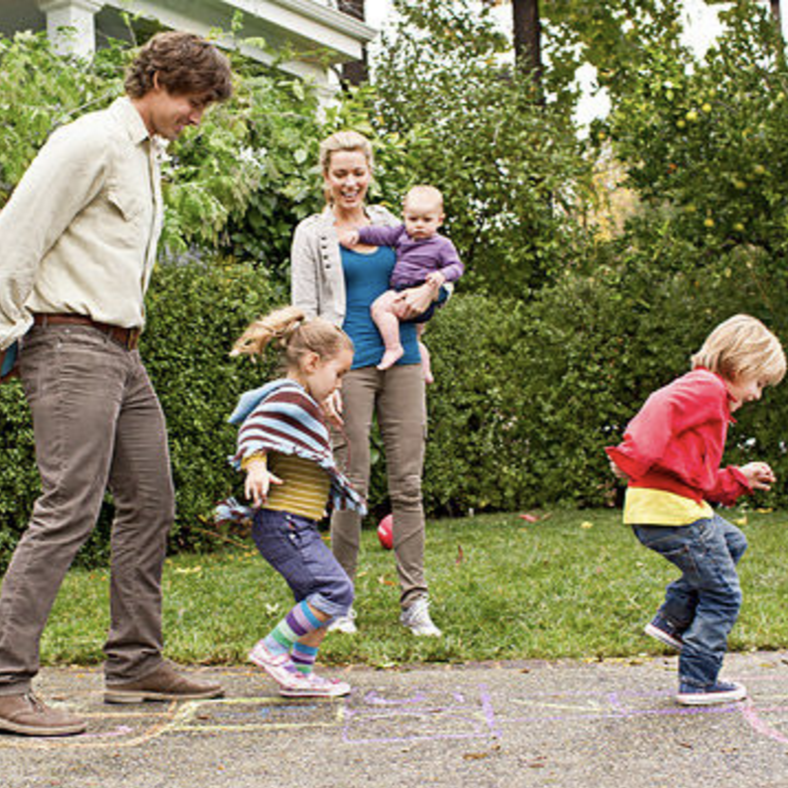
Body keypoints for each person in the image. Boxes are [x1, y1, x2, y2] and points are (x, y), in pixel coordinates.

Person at [0, 31, 233, 736]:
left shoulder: (142, 157)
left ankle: (134, 663)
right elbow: (16, 235)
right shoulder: (91, 141)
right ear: (157, 78)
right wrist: (7, 333)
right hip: (68, 342)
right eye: (193, 102)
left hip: (121, 351)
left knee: (151, 500)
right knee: (68, 506)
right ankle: (5, 680)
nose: (198, 117)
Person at [291, 130, 443, 637]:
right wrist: (319, 380)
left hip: (401, 362)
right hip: (346, 369)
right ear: (326, 178)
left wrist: (431, 297)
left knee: (408, 483)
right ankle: (340, 601)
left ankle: (415, 602)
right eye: (340, 174)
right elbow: (304, 314)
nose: (350, 182)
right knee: (349, 485)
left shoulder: (393, 225)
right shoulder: (311, 234)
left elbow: (430, 278)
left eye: (358, 172)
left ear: (370, 172)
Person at [606, 314, 785, 706]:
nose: (757, 395)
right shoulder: (706, 388)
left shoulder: (710, 400)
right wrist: (631, 455)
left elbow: (698, 479)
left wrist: (739, 479)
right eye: (758, 383)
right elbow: (660, 405)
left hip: (672, 506)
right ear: (740, 366)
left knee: (731, 542)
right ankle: (699, 680)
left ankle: (672, 619)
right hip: (671, 512)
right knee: (723, 595)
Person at [218, 306, 363, 698]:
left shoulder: (302, 401)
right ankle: (273, 649)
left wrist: (320, 409)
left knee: (314, 598)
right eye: (338, 375)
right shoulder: (288, 396)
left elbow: (293, 433)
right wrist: (255, 468)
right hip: (284, 522)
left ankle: (299, 674)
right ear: (313, 362)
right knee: (336, 592)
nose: (339, 385)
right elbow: (256, 430)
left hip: (294, 523)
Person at [338, 184, 463, 382]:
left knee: (379, 308)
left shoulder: (442, 245)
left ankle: (393, 347)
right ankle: (426, 370)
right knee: (415, 336)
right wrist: (359, 235)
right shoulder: (402, 234)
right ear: (404, 216)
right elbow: (379, 234)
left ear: (440, 220)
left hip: (416, 292)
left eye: (427, 220)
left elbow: (457, 267)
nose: (419, 225)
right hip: (402, 290)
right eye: (413, 219)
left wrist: (442, 275)